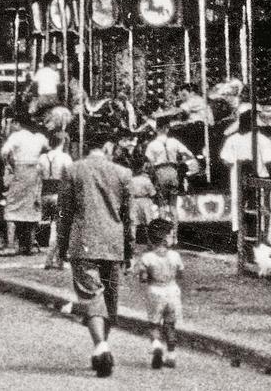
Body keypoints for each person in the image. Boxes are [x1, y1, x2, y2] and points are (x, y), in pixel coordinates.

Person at [56, 135, 133, 378]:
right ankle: (102, 346)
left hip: (84, 242)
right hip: (113, 243)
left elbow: (64, 212)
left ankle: (101, 346)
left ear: (84, 148)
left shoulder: (72, 170)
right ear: (108, 147)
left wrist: (62, 244)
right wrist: (129, 249)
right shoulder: (123, 173)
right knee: (109, 299)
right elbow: (128, 216)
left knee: (91, 296)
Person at [134, 217, 183, 370]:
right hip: (172, 291)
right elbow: (180, 274)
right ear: (167, 237)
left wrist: (147, 276)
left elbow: (143, 278)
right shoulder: (175, 256)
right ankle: (171, 355)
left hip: (154, 291)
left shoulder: (147, 258)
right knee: (170, 325)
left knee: (154, 324)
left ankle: (156, 345)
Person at [0, 112, 49, 255]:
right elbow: (48, 148)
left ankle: (10, 245)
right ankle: (29, 245)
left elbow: (4, 152)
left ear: (17, 123)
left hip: (20, 171)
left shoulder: (16, 136)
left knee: (12, 206)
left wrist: (9, 164)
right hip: (35, 173)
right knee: (32, 206)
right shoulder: (38, 137)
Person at [41, 132, 73, 270]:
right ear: (63, 142)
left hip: (45, 194)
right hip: (59, 195)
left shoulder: (43, 157)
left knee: (51, 226)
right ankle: (55, 260)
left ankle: (52, 259)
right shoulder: (65, 158)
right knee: (59, 228)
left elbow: (39, 177)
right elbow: (71, 176)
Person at [219, 110, 271, 179]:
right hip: (260, 180)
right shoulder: (263, 140)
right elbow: (270, 161)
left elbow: (226, 160)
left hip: (237, 181)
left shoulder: (232, 139)